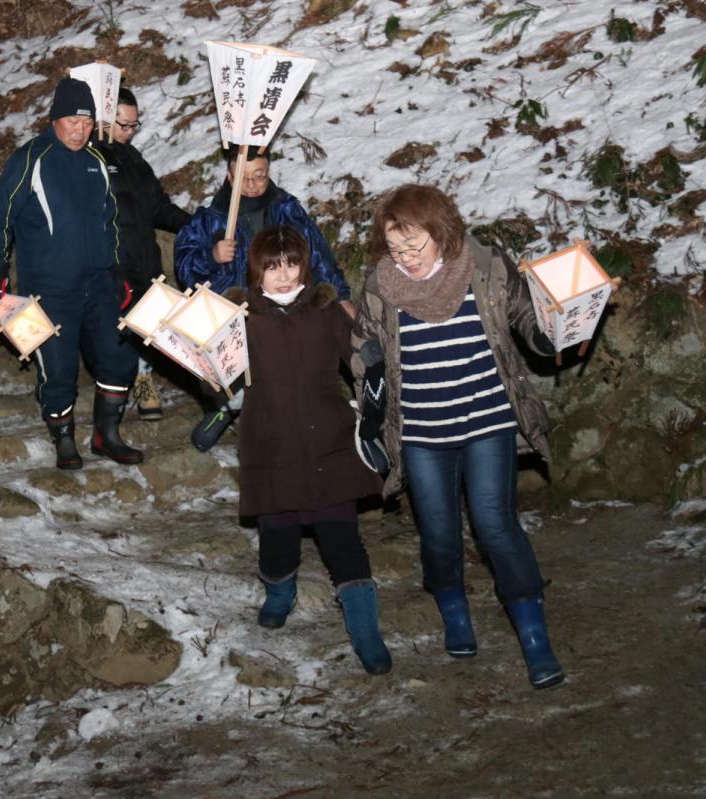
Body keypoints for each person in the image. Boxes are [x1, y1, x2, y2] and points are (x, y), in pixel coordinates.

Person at [350, 183, 564, 689]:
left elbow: (524, 314)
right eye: (394, 247)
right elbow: (361, 343)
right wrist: (368, 368)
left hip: (487, 418)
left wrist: (547, 333)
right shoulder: (381, 286)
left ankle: (534, 636)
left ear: (441, 232)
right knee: (440, 534)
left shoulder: (484, 266)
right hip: (423, 432)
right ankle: (455, 612)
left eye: (414, 245)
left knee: (495, 523)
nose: (404, 256)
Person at [237, 225, 390, 676]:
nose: (283, 276)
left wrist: (376, 364)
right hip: (272, 440)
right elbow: (218, 368)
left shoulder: (326, 311)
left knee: (344, 541)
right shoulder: (241, 316)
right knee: (278, 536)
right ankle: (280, 590)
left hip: (329, 440)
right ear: (256, 271)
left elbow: (362, 358)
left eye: (290, 264)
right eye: (271, 267)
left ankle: (366, 632)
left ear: (304, 265)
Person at [0, 77, 142, 470]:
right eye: (72, 121)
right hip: (50, 287)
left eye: (87, 123)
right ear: (55, 119)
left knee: (120, 356)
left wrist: (120, 269)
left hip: (99, 283)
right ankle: (64, 438)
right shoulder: (30, 159)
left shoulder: (97, 162)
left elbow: (112, 221)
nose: (80, 130)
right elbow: (0, 217)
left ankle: (108, 434)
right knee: (59, 366)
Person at [174, 146, 354, 451]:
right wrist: (212, 256)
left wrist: (342, 294)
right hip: (235, 306)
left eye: (261, 176)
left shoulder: (285, 207)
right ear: (229, 177)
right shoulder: (211, 217)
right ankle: (230, 404)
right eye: (245, 178)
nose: (254, 184)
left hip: (286, 302)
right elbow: (185, 267)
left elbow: (318, 253)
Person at [95, 87, 191, 421]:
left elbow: (158, 207)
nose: (129, 132)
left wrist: (192, 226)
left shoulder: (134, 159)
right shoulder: (89, 160)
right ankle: (111, 398)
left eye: (134, 125)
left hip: (144, 259)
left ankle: (143, 381)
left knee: (149, 329)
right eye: (123, 125)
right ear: (103, 121)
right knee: (118, 333)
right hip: (112, 265)